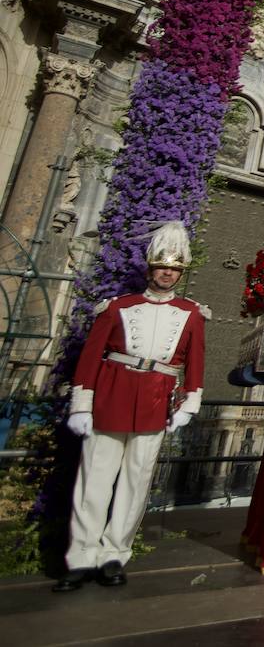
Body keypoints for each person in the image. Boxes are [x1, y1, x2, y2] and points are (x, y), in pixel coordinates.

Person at [55, 222, 207, 592]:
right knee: (94, 481)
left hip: (156, 402)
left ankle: (113, 555)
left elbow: (196, 363)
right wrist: (81, 405)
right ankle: (81, 557)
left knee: (134, 484)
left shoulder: (192, 314)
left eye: (174, 269)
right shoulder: (118, 307)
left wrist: (189, 401)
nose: (167, 273)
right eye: (161, 267)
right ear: (150, 269)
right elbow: (91, 358)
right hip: (112, 395)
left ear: (180, 272)